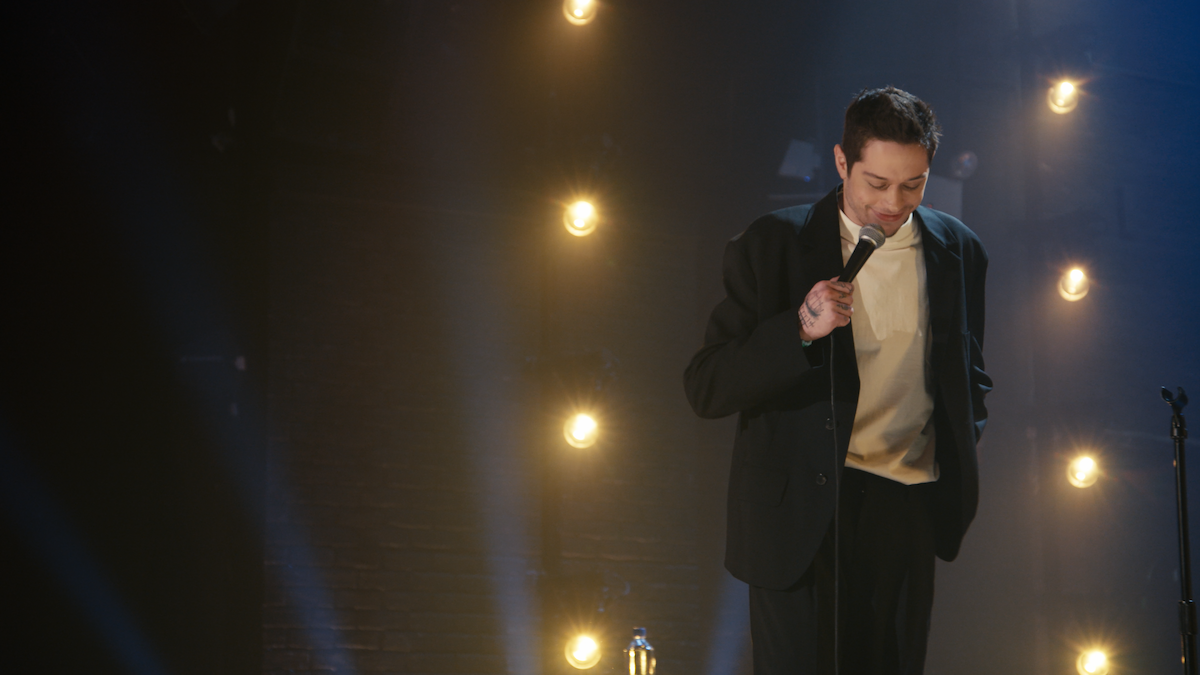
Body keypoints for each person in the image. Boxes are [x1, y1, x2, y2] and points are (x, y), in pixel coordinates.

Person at [684, 86, 991, 675]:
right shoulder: (772, 243)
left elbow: (968, 372)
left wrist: (956, 440)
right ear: (841, 162)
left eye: (914, 184)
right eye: (877, 183)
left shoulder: (959, 250)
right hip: (801, 512)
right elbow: (706, 385)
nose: (894, 203)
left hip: (905, 507)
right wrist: (799, 328)